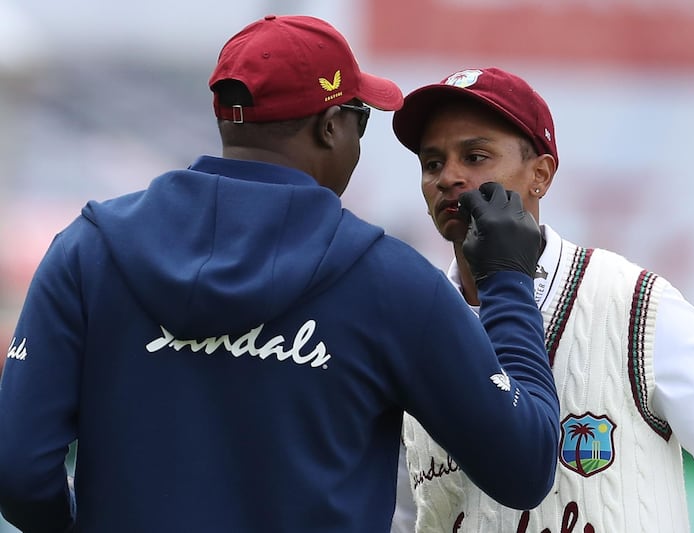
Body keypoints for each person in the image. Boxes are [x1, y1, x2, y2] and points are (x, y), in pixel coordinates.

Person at [0, 20, 562, 533]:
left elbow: (19, 472)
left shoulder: (87, 251)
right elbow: (524, 465)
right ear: (330, 128)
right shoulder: (390, 281)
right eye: (360, 121)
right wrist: (509, 279)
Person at [389, 66, 694, 532]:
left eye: (476, 156)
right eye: (432, 162)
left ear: (540, 174)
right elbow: (405, 515)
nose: (449, 177)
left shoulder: (633, 303)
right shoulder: (413, 325)